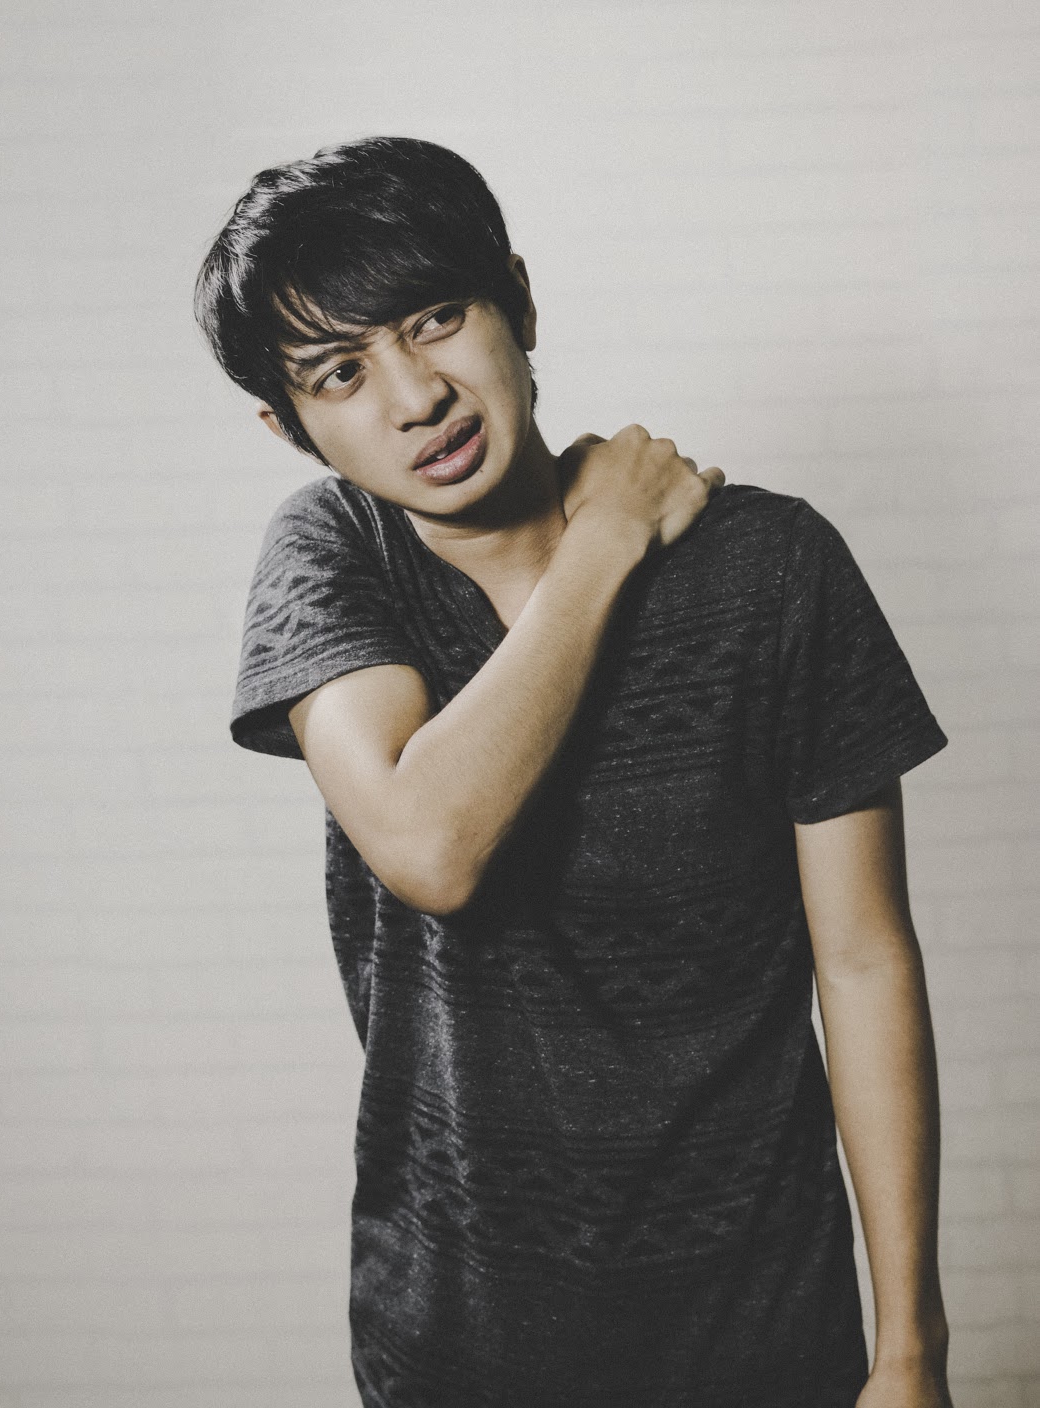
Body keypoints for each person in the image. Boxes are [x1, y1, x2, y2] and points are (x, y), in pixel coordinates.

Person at [194, 136, 954, 1408]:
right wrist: (602, 542)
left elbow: (866, 960)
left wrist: (910, 1351)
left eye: (435, 319)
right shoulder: (335, 556)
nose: (414, 395)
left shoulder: (770, 567)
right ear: (289, 425)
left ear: (519, 300)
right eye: (341, 372)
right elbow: (430, 845)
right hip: (456, 1345)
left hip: (764, 1327)